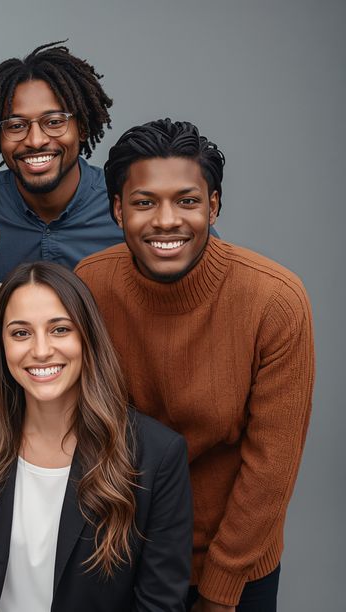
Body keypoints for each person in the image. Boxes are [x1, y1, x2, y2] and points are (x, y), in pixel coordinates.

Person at [76, 119, 315, 612]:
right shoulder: (90, 285)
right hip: (122, 555)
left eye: (187, 201)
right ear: (118, 210)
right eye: (144, 203)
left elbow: (271, 471)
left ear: (214, 206)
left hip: (234, 561)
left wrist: (222, 591)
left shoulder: (275, 301)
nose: (166, 220)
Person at [0, 261, 193, 612]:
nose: (40, 351)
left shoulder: (156, 456)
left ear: (87, 336)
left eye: (59, 330)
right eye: (21, 333)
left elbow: (159, 604)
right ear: (0, 346)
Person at [0, 40, 121, 280]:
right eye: (16, 126)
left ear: (81, 128)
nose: (36, 140)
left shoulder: (122, 208)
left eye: (54, 122)